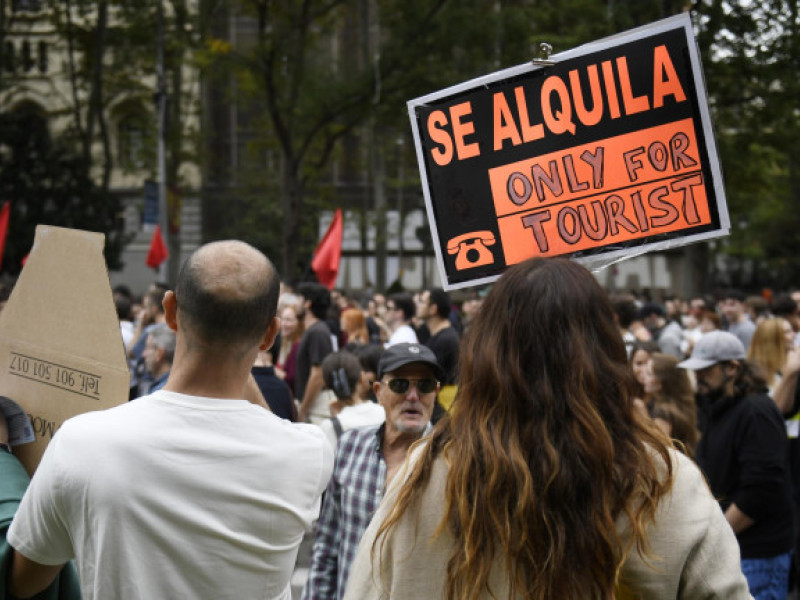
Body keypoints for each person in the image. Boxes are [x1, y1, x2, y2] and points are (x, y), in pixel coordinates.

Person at [344, 258, 750, 600]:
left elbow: (365, 590)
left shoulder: (425, 474)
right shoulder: (666, 482)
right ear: (607, 353)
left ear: (484, 358)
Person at [8, 240, 334, 600]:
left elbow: (24, 580)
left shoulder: (81, 442)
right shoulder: (308, 452)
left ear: (170, 311)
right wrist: (241, 348)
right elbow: (275, 433)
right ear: (270, 335)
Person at [303, 343, 442, 600]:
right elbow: (327, 545)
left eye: (424, 386)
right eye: (400, 385)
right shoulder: (350, 446)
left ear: (435, 393)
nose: (413, 396)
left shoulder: (450, 463)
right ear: (378, 391)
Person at [679, 331, 794, 599]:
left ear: (732, 368)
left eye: (706, 370)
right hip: (735, 550)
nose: (698, 377)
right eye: (696, 370)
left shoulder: (755, 410)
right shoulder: (720, 407)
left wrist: (717, 538)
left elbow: (761, 490)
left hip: (757, 555)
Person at [318, 351, 385, 450]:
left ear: (327, 385)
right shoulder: (384, 413)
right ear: (362, 377)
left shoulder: (329, 427)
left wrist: (334, 418)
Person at [642, 353, 699, 456]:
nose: (643, 377)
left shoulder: (663, 413)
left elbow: (659, 450)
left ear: (662, 380)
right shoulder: (679, 404)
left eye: (649, 373)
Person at [296, 282, 335, 423]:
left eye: (299, 299)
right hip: (313, 404)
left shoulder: (317, 332)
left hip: (315, 407)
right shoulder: (314, 330)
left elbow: (318, 375)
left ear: (307, 304)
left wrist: (303, 410)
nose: (296, 304)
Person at [417, 288, 459, 413]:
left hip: (442, 409)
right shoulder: (439, 336)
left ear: (433, 308)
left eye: (422, 302)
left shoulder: (446, 340)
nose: (418, 305)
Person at [137, 323, 175, 396]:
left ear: (159, 354)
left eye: (147, 348)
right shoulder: (173, 385)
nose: (143, 355)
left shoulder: (160, 393)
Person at [275, 303, 304, 394]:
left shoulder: (299, 346)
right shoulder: (285, 343)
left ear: (299, 323)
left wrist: (270, 370)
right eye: (282, 319)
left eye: (288, 320)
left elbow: (291, 378)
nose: (283, 324)